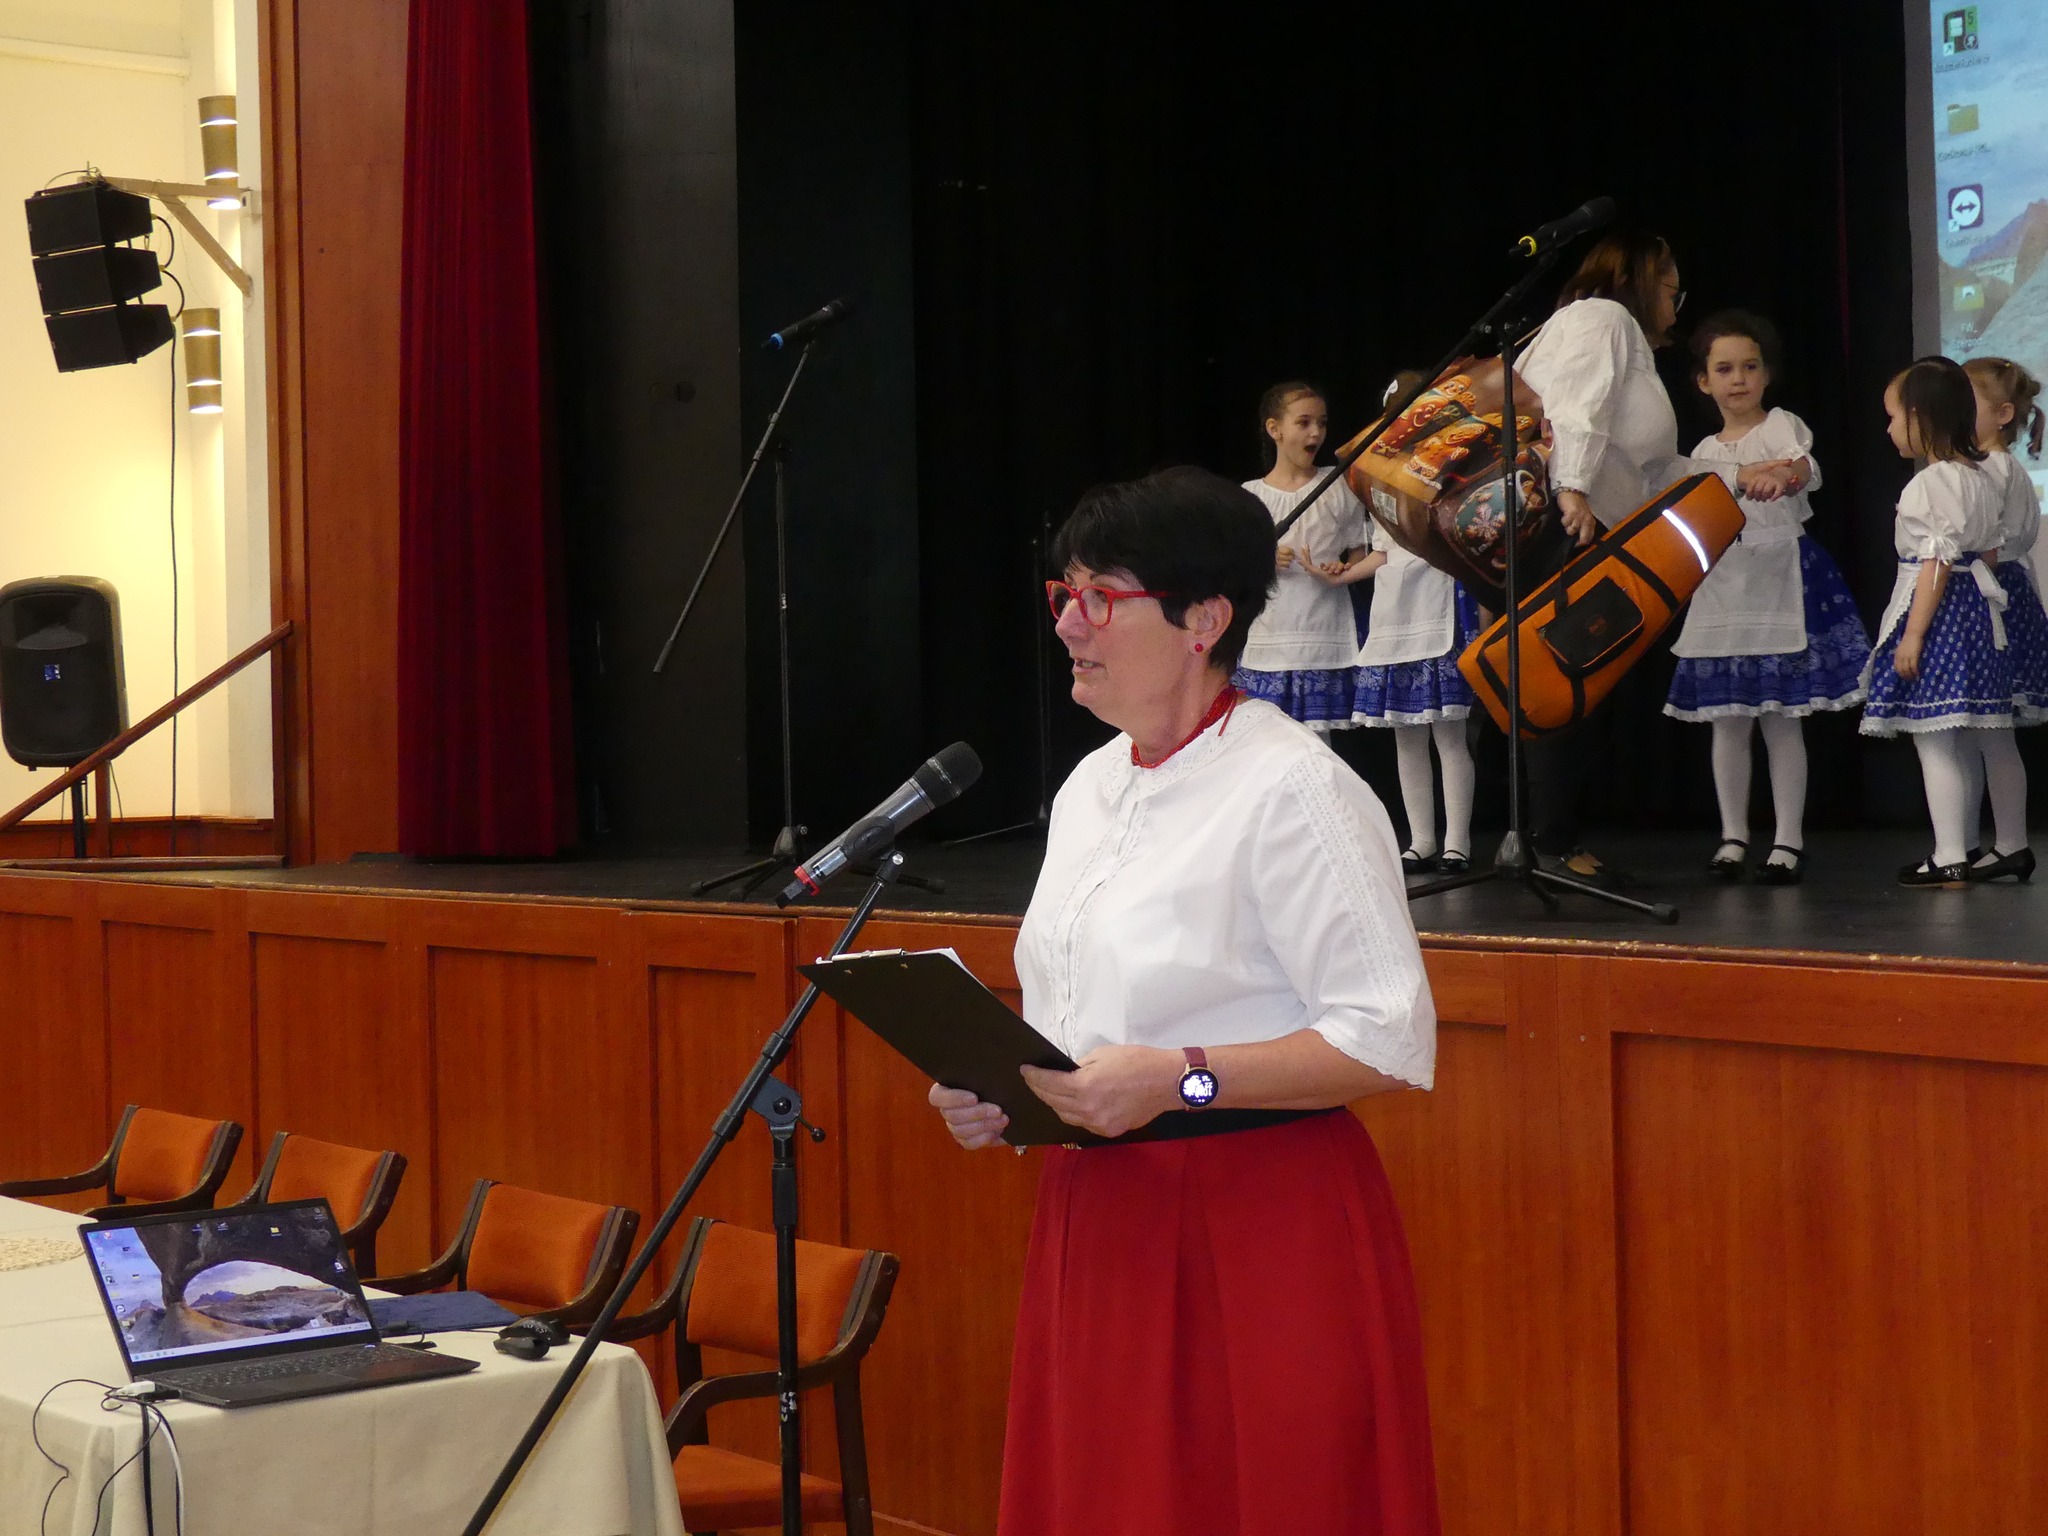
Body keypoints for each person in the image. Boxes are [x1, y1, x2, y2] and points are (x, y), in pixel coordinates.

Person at [930, 466, 1441, 1536]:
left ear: (1204, 619)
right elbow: (1080, 1018)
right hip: (1098, 1214)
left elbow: (1387, 1038)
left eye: (1101, 597)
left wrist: (1182, 1079)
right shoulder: (1090, 786)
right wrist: (1007, 1096)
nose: (1069, 623)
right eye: (1063, 594)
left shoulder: (1293, 787)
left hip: (1257, 1222)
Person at [1512, 234, 1798, 879]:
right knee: (1565, 687)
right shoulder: (1601, 318)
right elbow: (1575, 409)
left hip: (1591, 527)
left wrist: (1737, 474)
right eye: (1673, 289)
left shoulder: (1626, 340)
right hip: (1568, 526)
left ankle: (1552, 839)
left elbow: (1657, 470)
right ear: (1642, 281)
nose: (1676, 304)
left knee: (1585, 692)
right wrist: (1573, 489)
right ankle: (1550, 845)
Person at [1662, 311, 1870, 885]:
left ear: (1767, 374)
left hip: (1779, 573)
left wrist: (1786, 477)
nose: (1738, 379)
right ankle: (1733, 836)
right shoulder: (1702, 450)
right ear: (1703, 381)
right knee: (1728, 720)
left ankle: (1787, 840)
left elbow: (1802, 466)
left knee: (1781, 718)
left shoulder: (1782, 425)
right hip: (1724, 581)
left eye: (1749, 367)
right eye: (1724, 369)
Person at [1859, 358, 2014, 887]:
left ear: (1920, 417)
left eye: (1893, 417)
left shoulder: (1929, 484)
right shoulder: (1979, 477)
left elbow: (1936, 562)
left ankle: (1949, 854)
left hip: (1940, 614)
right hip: (1977, 613)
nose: (1888, 429)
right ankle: (1961, 847)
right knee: (1964, 735)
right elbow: (1989, 554)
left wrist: (1914, 633)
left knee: (1935, 739)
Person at [1347, 374, 1481, 873]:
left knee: (1449, 733)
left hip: (1439, 600)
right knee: (1406, 733)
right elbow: (1383, 552)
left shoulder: (1458, 462)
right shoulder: (1377, 475)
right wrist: (1342, 575)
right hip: (1395, 609)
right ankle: (1421, 838)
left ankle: (1457, 842)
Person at [1232, 381, 1374, 731]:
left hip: (1325, 632)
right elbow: (1231, 570)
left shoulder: (1338, 485)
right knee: (1267, 739)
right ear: (1274, 429)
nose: (1316, 433)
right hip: (1270, 639)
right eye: (1304, 422)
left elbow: (1360, 550)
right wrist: (1263, 560)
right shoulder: (1250, 497)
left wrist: (1344, 568)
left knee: (1317, 739)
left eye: (1322, 423)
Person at [1955, 356, 2048, 879]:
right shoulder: (1993, 466)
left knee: (1992, 732)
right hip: (1998, 594)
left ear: (2004, 413)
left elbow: (1982, 539)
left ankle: (2009, 842)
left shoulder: (1991, 468)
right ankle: (1968, 841)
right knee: (1976, 733)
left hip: (1994, 601)